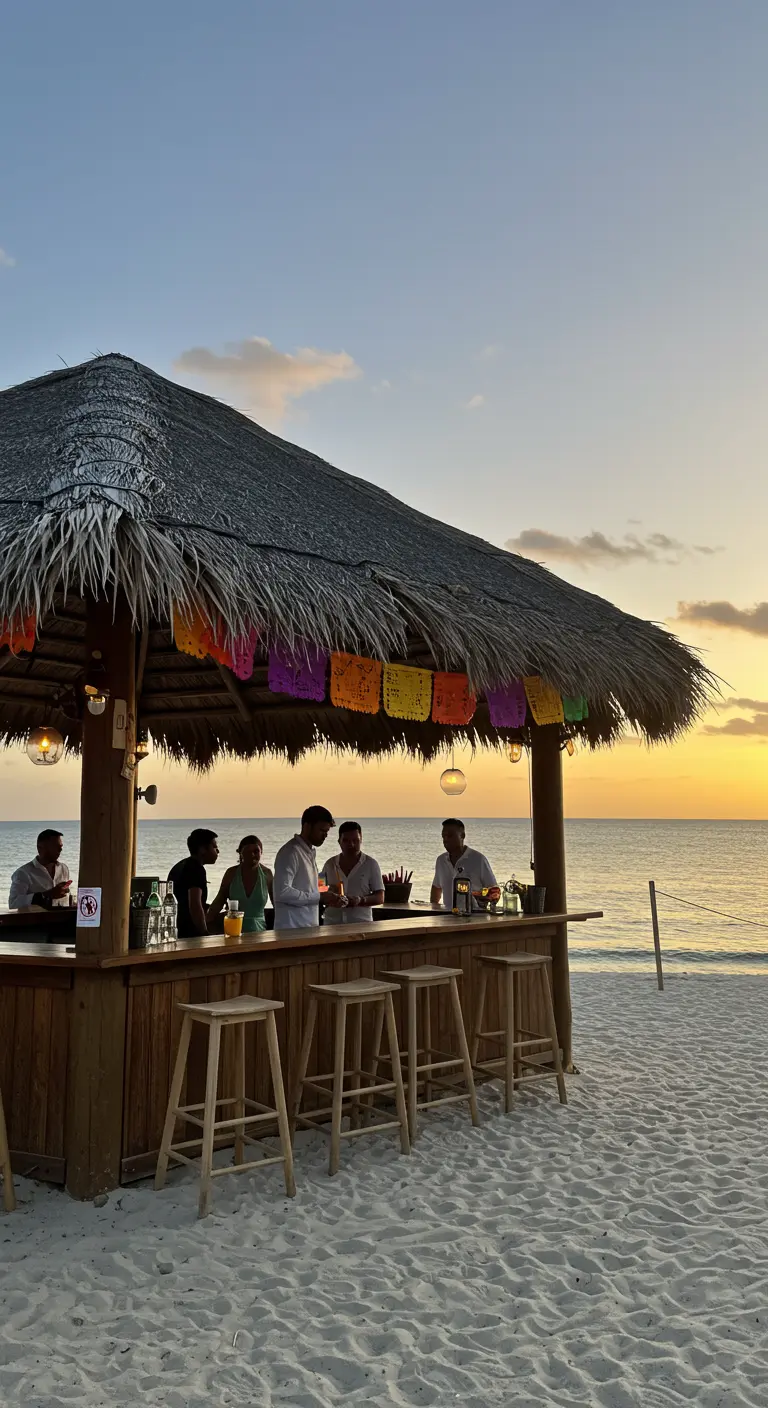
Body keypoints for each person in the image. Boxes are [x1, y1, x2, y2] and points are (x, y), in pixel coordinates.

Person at [273, 806, 344, 930]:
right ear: (307, 826)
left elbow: (308, 888)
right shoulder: (291, 852)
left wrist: (327, 894)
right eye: (322, 830)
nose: (325, 835)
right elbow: (282, 892)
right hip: (291, 931)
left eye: (327, 832)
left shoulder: (309, 853)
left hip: (308, 929)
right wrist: (320, 897)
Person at [207, 834, 273, 934]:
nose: (252, 855)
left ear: (261, 852)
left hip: (259, 932)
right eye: (247, 852)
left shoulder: (267, 874)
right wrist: (206, 925)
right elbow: (219, 900)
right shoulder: (231, 873)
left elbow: (277, 903)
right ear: (240, 853)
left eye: (256, 851)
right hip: (234, 931)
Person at [320, 822, 385, 924]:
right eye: (346, 841)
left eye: (355, 840)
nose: (351, 844)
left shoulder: (371, 864)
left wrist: (360, 900)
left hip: (361, 925)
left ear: (361, 840)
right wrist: (328, 894)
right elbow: (319, 889)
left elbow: (380, 897)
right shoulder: (329, 864)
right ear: (339, 841)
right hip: (332, 924)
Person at [429, 818, 498, 910]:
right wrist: (434, 913)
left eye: (450, 836)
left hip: (475, 919)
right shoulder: (441, 861)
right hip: (447, 918)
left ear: (462, 836)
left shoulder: (478, 859)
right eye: (443, 836)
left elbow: (494, 891)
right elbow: (436, 888)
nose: (445, 839)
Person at [167, 828, 219, 938]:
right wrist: (204, 932)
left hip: (175, 929)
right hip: (189, 933)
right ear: (202, 850)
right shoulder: (196, 869)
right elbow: (194, 904)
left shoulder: (180, 865)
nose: (217, 851)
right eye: (214, 847)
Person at [8, 829, 72, 909]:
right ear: (40, 848)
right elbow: (13, 903)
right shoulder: (23, 873)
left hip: (64, 919)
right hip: (37, 920)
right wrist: (44, 895)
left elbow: (66, 898)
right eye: (55, 846)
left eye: (61, 846)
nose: (60, 850)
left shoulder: (63, 868)